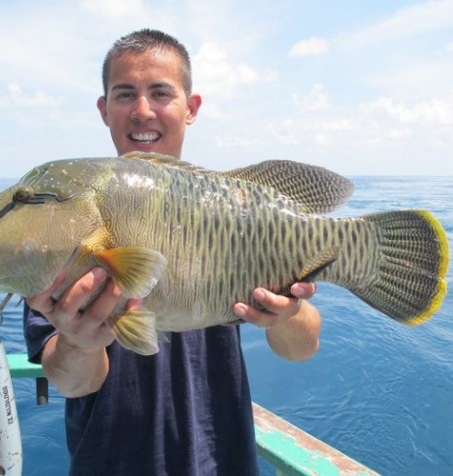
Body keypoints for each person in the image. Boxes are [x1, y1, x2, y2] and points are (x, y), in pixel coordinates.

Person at [24, 28, 321, 475]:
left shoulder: (236, 209)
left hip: (224, 462)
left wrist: (288, 313)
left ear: (191, 107)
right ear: (105, 110)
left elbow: (301, 349)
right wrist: (78, 342)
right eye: (125, 94)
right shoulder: (64, 221)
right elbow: (70, 381)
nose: (142, 111)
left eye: (160, 92)